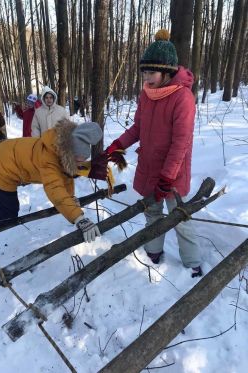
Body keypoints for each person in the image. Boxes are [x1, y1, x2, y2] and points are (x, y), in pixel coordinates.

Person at [106, 29, 202, 278]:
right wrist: (118, 144)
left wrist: (167, 178)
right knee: (152, 214)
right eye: (144, 72)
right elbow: (138, 127)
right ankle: (153, 252)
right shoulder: (147, 94)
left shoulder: (183, 98)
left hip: (172, 172)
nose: (146, 78)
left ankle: (192, 262)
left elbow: (181, 143)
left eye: (151, 72)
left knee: (180, 218)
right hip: (149, 166)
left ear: (167, 71)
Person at [0, 119, 108, 243]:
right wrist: (79, 218)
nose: (79, 165)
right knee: (8, 214)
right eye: (78, 160)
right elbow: (55, 189)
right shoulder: (49, 160)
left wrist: (70, 197)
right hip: (4, 167)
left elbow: (66, 176)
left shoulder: (57, 146)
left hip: (2, 154)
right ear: (70, 153)